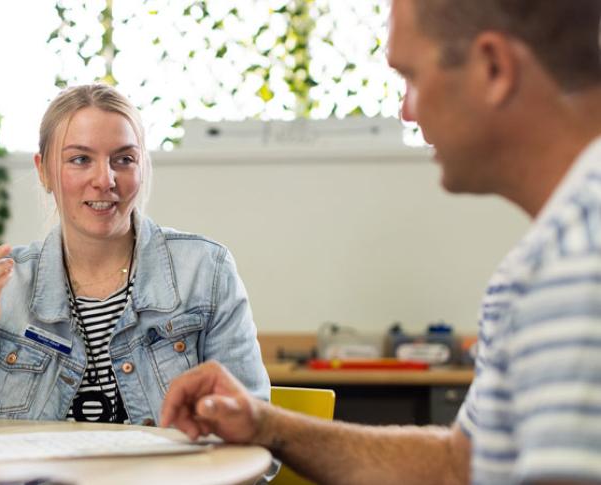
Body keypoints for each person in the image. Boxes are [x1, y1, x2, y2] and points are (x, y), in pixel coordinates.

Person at [161, 0, 601, 483]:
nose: (406, 111)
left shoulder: (577, 266)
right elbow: (459, 465)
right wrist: (266, 425)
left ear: (493, 68)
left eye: (411, 78)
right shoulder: (542, 261)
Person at [0, 84, 270, 426]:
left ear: (142, 167)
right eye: (80, 159)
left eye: (123, 159)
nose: (105, 180)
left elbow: (257, 435)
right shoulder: (5, 287)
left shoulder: (205, 271)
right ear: (44, 170)